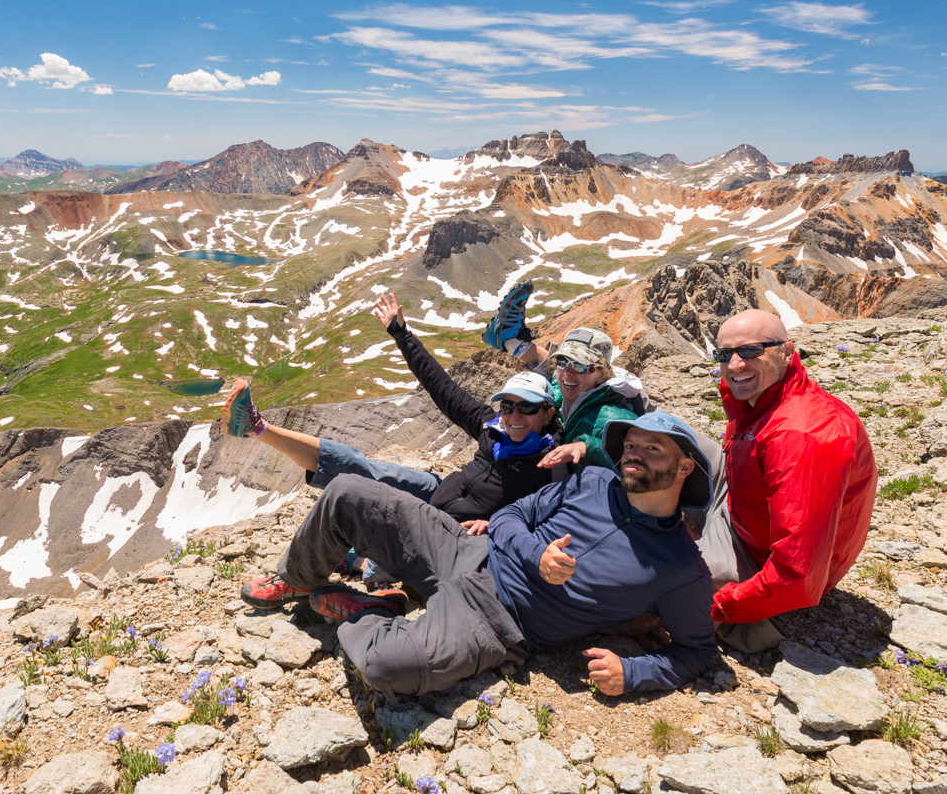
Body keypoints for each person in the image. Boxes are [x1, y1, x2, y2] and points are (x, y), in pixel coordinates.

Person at [238, 412, 718, 701]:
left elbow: (697, 651)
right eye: (630, 446)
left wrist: (632, 672)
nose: (633, 456)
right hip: (470, 549)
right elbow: (510, 517)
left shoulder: (680, 567)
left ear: (684, 467)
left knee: (386, 666)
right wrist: (536, 556)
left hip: (498, 621)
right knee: (347, 492)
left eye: (652, 450)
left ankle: (378, 610)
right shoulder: (593, 482)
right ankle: (298, 578)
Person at [221, 293, 564, 542]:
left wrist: (497, 527)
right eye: (508, 406)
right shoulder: (491, 426)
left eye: (528, 407)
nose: (514, 415)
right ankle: (256, 427)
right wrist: (402, 334)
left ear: (549, 413)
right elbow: (441, 386)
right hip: (437, 490)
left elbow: (551, 519)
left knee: (380, 552)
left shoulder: (553, 462)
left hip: (449, 529)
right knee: (358, 466)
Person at [698, 309, 878, 653]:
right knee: (662, 442)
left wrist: (720, 606)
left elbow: (798, 573)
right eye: (724, 355)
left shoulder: (802, 434)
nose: (734, 365)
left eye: (750, 351)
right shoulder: (764, 398)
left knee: (669, 580)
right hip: (747, 513)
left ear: (786, 351)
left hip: (761, 559)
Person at [482, 281, 643, 471]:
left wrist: (586, 448)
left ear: (603, 375)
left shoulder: (611, 417)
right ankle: (509, 339)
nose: (567, 372)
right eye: (562, 361)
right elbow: (556, 374)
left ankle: (509, 339)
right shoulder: (572, 390)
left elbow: (636, 458)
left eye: (581, 366)